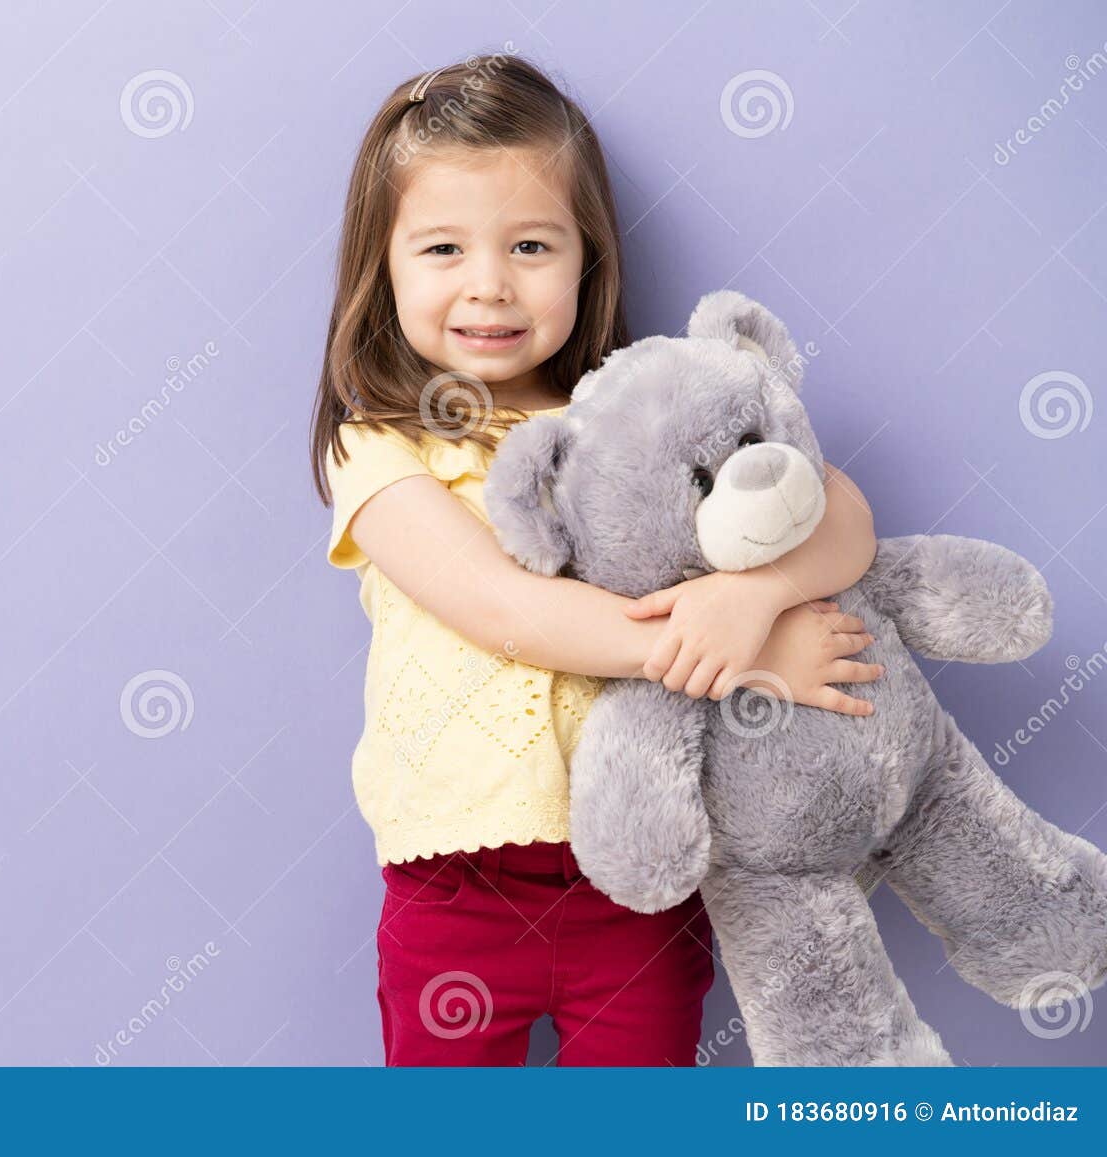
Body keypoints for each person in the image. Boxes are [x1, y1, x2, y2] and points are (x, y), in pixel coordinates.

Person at [309, 54, 883, 1066]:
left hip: (636, 877)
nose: (488, 283)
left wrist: (755, 596)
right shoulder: (382, 446)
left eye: (530, 244)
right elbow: (506, 610)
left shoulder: (629, 418)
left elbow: (838, 511)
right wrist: (734, 650)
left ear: (587, 259)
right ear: (382, 266)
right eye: (441, 247)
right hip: (454, 891)